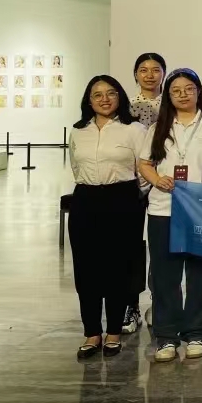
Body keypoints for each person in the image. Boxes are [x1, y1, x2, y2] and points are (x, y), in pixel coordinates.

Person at [138, 69, 202, 363]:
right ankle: (166, 337)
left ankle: (196, 333)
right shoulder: (158, 127)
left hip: (199, 209)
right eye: (176, 90)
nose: (182, 94)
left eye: (188, 89)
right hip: (163, 209)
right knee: (164, 276)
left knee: (199, 273)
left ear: (198, 91)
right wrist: (156, 180)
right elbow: (144, 163)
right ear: (168, 95)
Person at [68, 76, 147, 360]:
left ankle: (113, 332)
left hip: (122, 200)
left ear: (120, 97)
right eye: (97, 94)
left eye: (110, 93)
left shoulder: (134, 129)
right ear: (89, 101)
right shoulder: (78, 131)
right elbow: (75, 166)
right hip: (85, 200)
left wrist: (132, 198)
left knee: (118, 268)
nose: (104, 99)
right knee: (86, 269)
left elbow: (144, 169)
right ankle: (92, 332)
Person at [124, 51, 166, 334]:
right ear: (136, 74)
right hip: (134, 185)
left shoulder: (172, 104)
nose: (150, 75)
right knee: (132, 246)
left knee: (161, 248)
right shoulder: (126, 108)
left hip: (165, 184)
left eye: (156, 69)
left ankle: (157, 303)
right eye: (144, 70)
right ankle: (132, 305)